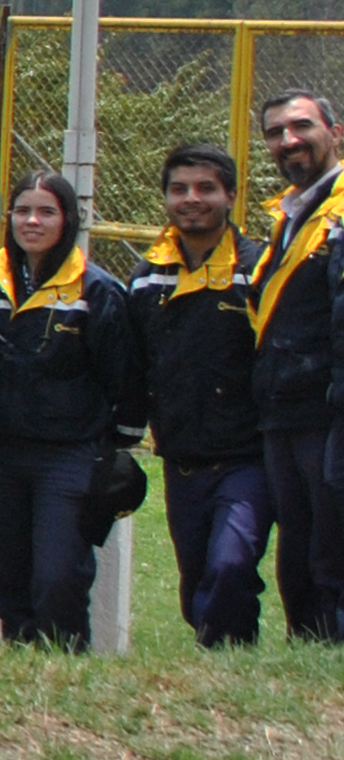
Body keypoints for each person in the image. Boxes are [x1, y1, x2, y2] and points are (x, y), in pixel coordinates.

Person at [0, 169, 142, 649]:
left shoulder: (96, 290)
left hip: (69, 456)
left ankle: (65, 663)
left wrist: (115, 450)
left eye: (46, 211)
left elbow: (124, 378)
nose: (32, 221)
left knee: (58, 577)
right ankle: (23, 666)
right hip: (0, 452)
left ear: (68, 220)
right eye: (23, 210)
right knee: (6, 579)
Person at [132, 141, 269, 645]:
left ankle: (229, 653)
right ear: (166, 198)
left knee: (231, 564)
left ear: (231, 195)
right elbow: (133, 366)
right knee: (197, 584)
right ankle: (224, 666)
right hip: (181, 459)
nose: (192, 199)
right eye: (179, 189)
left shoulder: (257, 268)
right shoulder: (148, 277)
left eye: (206, 188)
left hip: (246, 457)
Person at [252, 88, 342, 642]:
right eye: (275, 132)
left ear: (335, 132)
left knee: (332, 549)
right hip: (285, 410)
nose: (289, 141)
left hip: (329, 410)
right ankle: (309, 650)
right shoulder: (291, 212)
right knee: (301, 549)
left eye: (302, 126)